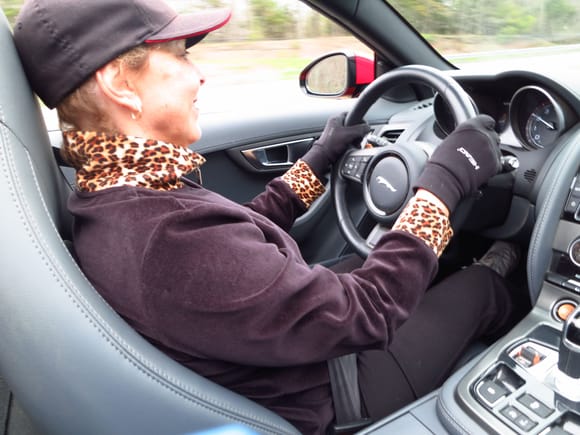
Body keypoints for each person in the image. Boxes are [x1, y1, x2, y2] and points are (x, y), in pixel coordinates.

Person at [13, 0, 519, 433]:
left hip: (296, 347)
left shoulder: (117, 197)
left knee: (442, 265)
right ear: (120, 83)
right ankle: (497, 281)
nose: (199, 72)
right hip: (335, 387)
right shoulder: (164, 239)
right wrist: (444, 183)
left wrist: (317, 162)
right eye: (181, 56)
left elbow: (238, 247)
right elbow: (369, 312)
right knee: (485, 287)